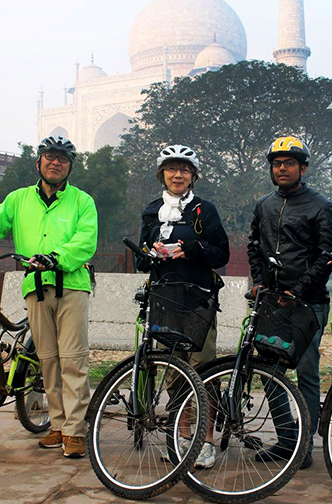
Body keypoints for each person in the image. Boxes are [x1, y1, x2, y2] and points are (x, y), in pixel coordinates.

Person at [0, 135, 97, 460]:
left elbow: (85, 241)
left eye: (62, 159)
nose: (55, 163)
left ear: (70, 167)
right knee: (48, 360)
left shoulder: (82, 201)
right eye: (50, 157)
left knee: (72, 360)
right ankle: (57, 426)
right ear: (38, 162)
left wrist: (56, 257)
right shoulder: (19, 199)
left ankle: (75, 431)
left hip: (71, 286)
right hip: (36, 287)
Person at [248, 136, 332, 470]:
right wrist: (259, 282)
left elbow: (327, 255)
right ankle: (287, 439)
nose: (282, 168)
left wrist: (297, 291)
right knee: (269, 373)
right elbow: (254, 245)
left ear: (302, 168)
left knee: (306, 373)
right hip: (272, 301)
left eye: (289, 163)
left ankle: (304, 445)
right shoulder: (264, 205)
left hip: (308, 303)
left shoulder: (320, 206)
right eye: (277, 164)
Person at [136, 144, 230, 469]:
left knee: (203, 371)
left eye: (184, 169)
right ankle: (183, 436)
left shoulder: (205, 210)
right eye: (172, 169)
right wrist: (150, 253)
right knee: (175, 372)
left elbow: (221, 253)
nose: (178, 175)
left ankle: (207, 440)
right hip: (165, 299)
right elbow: (140, 260)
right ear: (162, 174)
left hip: (199, 300)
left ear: (193, 175)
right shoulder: (152, 211)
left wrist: (192, 248)